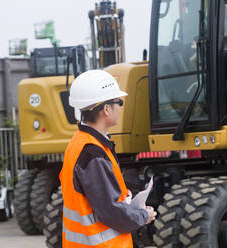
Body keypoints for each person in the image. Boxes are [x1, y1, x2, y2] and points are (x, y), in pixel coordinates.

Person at [59, 70, 157, 248]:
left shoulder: (80, 143)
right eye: (118, 102)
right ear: (106, 109)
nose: (120, 107)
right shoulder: (92, 152)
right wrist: (143, 216)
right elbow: (111, 211)